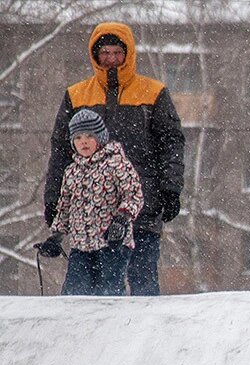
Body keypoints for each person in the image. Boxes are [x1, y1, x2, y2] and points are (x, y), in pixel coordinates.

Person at [44, 21, 184, 295]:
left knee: (143, 285)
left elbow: (171, 144)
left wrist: (171, 188)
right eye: (104, 53)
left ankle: (145, 336)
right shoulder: (77, 95)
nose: (111, 60)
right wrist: (53, 198)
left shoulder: (153, 93)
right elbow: (61, 152)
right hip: (91, 216)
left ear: (128, 54)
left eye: (117, 53)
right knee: (87, 293)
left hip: (142, 208)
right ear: (95, 55)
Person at [35, 109, 144, 295]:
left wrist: (122, 218)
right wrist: (56, 237)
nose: (83, 142)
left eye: (88, 136)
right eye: (77, 138)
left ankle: (111, 321)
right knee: (74, 293)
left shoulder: (116, 163)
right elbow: (65, 208)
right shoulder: (71, 171)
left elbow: (134, 194)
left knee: (108, 292)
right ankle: (75, 324)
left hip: (112, 244)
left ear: (100, 138)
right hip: (81, 246)